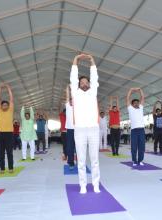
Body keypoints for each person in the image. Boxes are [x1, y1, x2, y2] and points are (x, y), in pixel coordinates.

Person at [70, 53, 100, 194]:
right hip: (80, 130)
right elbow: (72, 78)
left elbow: (94, 77)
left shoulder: (93, 91)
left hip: (94, 129)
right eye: (81, 82)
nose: (83, 83)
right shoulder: (75, 93)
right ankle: (83, 185)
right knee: (81, 160)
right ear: (78, 84)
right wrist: (76, 60)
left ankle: (95, 184)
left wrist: (91, 60)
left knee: (94, 160)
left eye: (85, 82)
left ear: (89, 83)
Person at [0, 84, 14, 174]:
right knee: (1, 153)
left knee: (9, 152)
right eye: (3, 105)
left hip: (9, 134)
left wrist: (8, 88)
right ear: (1, 106)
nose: (4, 106)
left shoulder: (10, 110)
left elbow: (11, 99)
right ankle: (2, 168)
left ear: (8, 106)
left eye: (6, 105)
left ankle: (10, 167)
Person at [127, 88, 145, 166]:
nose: (137, 104)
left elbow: (143, 97)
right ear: (132, 104)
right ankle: (134, 160)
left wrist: (140, 90)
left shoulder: (141, 108)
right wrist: (131, 90)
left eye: (138, 103)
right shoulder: (130, 109)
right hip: (134, 130)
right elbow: (127, 98)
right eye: (135, 103)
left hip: (141, 130)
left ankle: (140, 160)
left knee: (142, 146)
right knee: (134, 146)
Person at [65, 85, 75, 169]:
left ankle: (80, 162)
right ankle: (71, 162)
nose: (72, 101)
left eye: (73, 100)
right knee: (70, 147)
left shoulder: (78, 107)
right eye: (71, 100)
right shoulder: (68, 106)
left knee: (79, 147)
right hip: (70, 130)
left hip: (78, 129)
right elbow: (68, 97)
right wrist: (68, 88)